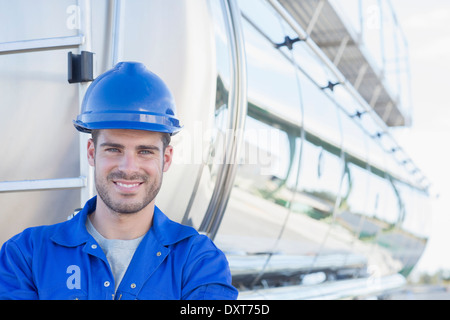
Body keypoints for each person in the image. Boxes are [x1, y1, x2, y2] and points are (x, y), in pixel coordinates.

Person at [0, 62, 238, 300]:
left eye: (145, 151)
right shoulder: (27, 253)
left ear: (166, 159)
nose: (128, 168)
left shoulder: (198, 261)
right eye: (114, 149)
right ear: (92, 153)